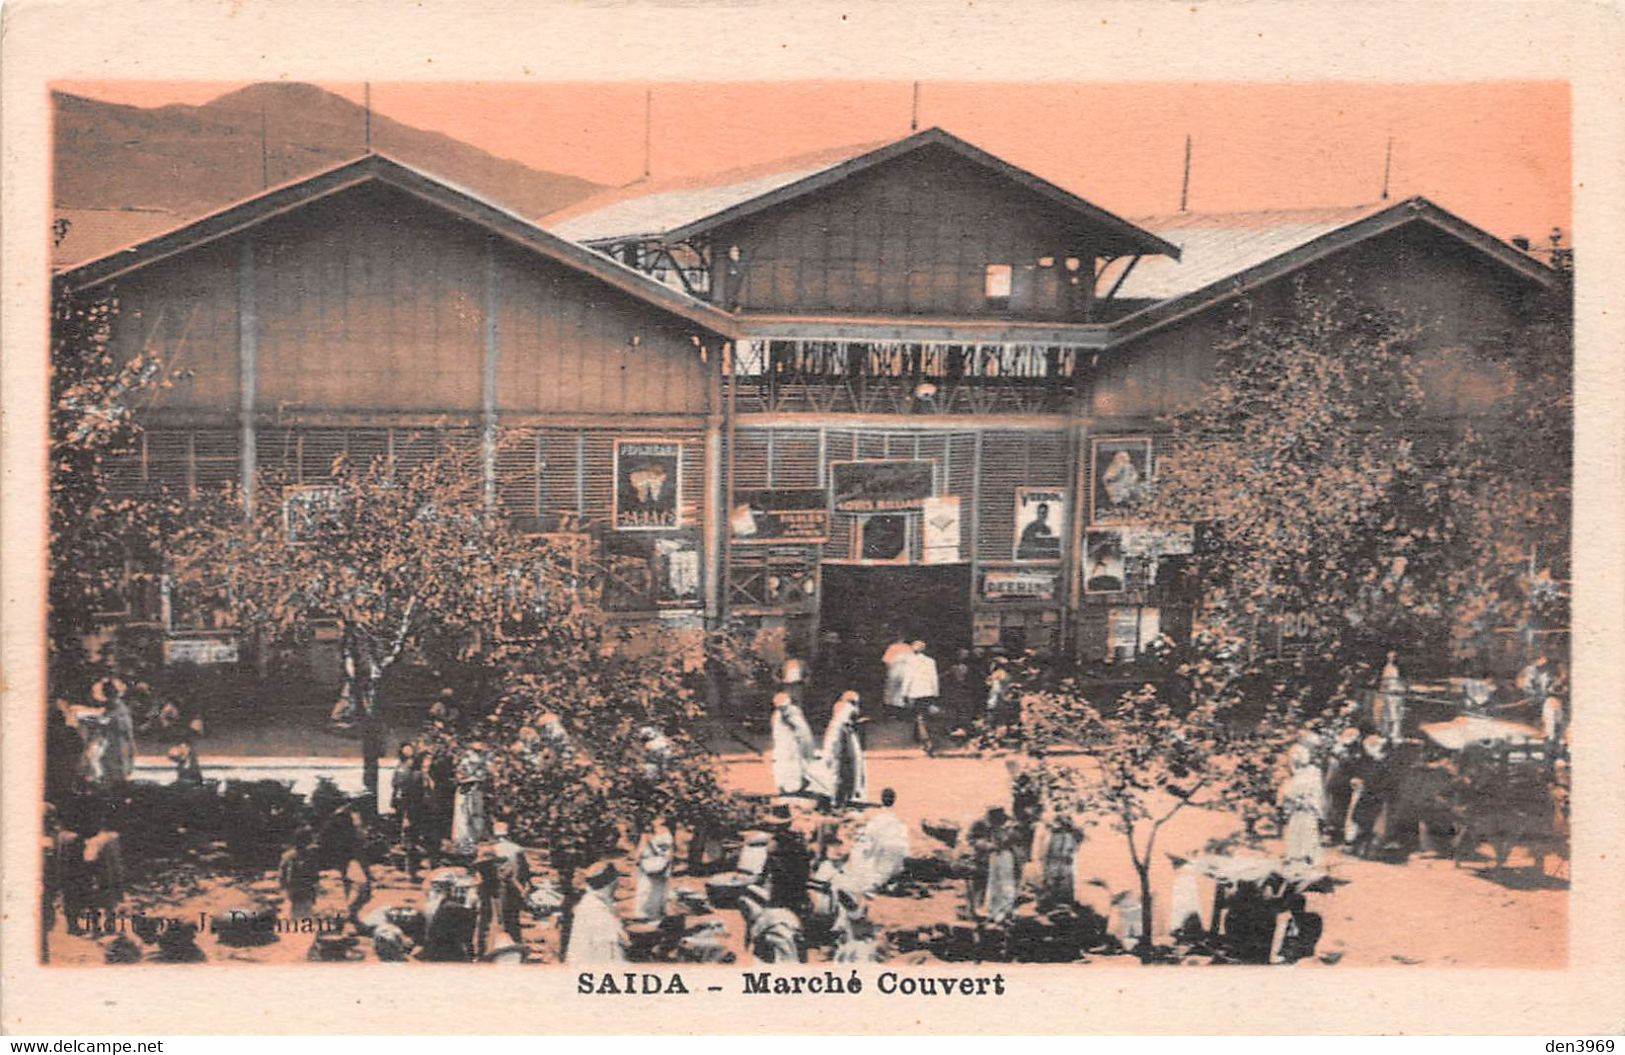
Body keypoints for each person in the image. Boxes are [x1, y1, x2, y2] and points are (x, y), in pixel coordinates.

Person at [845, 788, 910, 895]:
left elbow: (870, 841)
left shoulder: (877, 818)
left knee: (860, 857)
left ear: (881, 799)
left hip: (883, 860)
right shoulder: (899, 818)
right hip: (897, 861)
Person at [567, 860, 627, 964]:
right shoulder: (594, 909)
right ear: (611, 883)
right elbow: (604, 952)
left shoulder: (602, 903)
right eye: (616, 880)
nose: (619, 883)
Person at [817, 692, 867, 810]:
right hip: (839, 753)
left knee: (846, 774)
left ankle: (844, 798)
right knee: (839, 776)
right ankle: (837, 801)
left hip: (842, 752)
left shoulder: (844, 724)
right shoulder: (842, 718)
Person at [1279, 743, 1327, 866]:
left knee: (1308, 829)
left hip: (1308, 807)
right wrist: (1293, 799)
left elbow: (1317, 790)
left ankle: (1308, 855)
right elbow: (1287, 790)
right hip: (1296, 807)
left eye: (1298, 755)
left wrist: (1309, 801)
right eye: (1293, 755)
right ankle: (1293, 854)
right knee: (1294, 829)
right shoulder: (1292, 773)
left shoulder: (1313, 772)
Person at [762, 808, 812, 913]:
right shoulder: (797, 838)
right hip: (794, 884)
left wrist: (764, 875)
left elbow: (770, 861)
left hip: (783, 884)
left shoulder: (780, 839)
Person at [738, 884, 804, 964]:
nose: (744, 913)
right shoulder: (783, 913)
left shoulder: (768, 916)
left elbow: (752, 938)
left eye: (746, 908)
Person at [391, 749, 430, 879]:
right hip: (412, 811)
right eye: (424, 764)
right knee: (410, 841)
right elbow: (407, 796)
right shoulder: (415, 776)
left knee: (414, 840)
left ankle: (411, 868)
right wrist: (406, 815)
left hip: (418, 812)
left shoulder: (418, 775)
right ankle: (410, 871)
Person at [770, 691, 817, 795]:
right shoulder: (779, 714)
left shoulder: (792, 712)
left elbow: (801, 729)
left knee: (793, 764)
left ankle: (794, 786)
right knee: (785, 764)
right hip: (783, 744)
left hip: (791, 743)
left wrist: (800, 738)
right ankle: (787, 786)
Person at [900, 640, 941, 754]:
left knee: (919, 717)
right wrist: (935, 693)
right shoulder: (930, 661)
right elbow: (934, 678)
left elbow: (908, 678)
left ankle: (926, 741)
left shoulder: (910, 662)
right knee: (926, 717)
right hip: (928, 692)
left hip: (915, 692)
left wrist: (904, 693)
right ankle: (926, 740)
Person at [450, 743, 491, 855]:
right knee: (462, 819)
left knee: (475, 817)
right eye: (474, 750)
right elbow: (460, 776)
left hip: (475, 790)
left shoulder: (483, 762)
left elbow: (483, 776)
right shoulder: (465, 760)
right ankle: (463, 847)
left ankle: (473, 845)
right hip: (465, 791)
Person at [1035, 812, 1082, 908]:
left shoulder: (1070, 835)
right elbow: (1046, 850)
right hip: (1054, 860)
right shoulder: (1051, 835)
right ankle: (1049, 900)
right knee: (1052, 878)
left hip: (1064, 860)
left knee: (1064, 879)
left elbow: (1075, 845)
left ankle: (1064, 900)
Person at [633, 822, 675, 921]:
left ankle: (649, 914)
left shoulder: (649, 835)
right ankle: (657, 912)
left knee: (648, 889)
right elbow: (668, 852)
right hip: (659, 863)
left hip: (651, 864)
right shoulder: (666, 833)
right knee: (657, 888)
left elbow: (640, 852)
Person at [278, 826, 321, 920]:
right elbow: (315, 876)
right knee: (305, 913)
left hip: (293, 890)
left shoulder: (287, 855)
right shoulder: (310, 856)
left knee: (295, 913)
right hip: (305, 890)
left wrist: (284, 888)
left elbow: (282, 876)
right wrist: (315, 892)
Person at [1375, 651, 1407, 741]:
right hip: (1384, 692)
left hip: (1395, 691)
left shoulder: (1399, 668)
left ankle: (1395, 733)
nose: (1391, 658)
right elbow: (1380, 679)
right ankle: (1383, 733)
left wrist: (1399, 688)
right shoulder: (1383, 667)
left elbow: (1402, 681)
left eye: (1393, 656)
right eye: (1389, 656)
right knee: (1384, 712)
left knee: (1395, 713)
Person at [881, 637, 913, 711]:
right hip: (906, 671)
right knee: (903, 689)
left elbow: (887, 661)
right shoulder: (909, 648)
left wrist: (888, 670)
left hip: (894, 670)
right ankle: (903, 707)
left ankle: (891, 708)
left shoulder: (892, 647)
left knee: (892, 689)